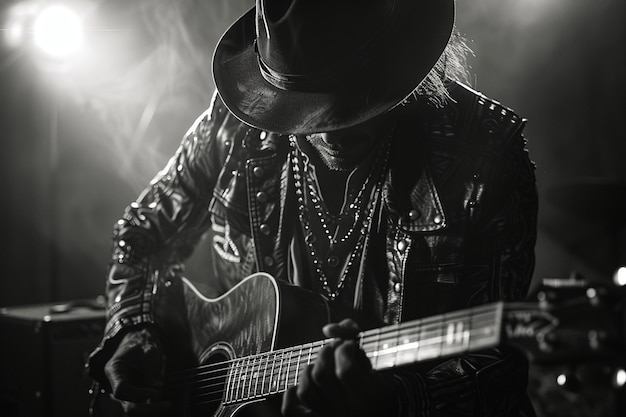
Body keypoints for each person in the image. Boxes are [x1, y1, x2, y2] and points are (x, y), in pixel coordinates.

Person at [88, 0, 538, 416]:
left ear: (400, 62)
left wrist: (396, 401)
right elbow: (142, 235)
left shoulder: (486, 158)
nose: (330, 130)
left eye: (351, 99)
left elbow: (501, 362)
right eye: (306, 106)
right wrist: (134, 327)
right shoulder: (233, 128)